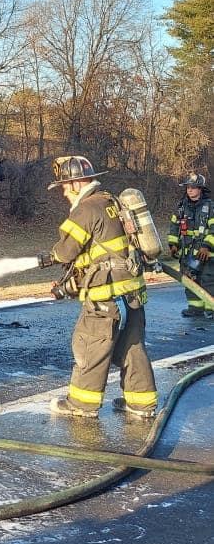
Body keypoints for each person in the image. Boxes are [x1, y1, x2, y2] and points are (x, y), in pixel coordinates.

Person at [38, 155, 158, 420]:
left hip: (106, 295)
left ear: (77, 182)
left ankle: (81, 405)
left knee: (91, 345)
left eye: (65, 186)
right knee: (132, 347)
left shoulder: (86, 209)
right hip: (132, 295)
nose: (64, 193)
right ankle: (142, 406)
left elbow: (66, 251)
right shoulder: (111, 202)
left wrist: (51, 257)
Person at [167, 172, 214, 318]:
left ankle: (211, 309)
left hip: (206, 254)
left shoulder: (210, 207)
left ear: (200, 189)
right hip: (187, 253)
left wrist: (207, 246)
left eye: (193, 187)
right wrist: (173, 244)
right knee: (189, 281)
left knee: (208, 281)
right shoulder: (181, 207)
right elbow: (174, 226)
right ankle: (195, 309)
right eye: (188, 187)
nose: (190, 190)